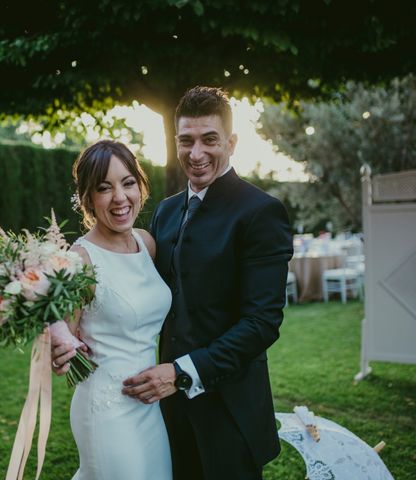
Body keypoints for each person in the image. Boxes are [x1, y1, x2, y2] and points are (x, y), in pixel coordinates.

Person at [120, 86, 293, 479]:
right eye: (186, 141)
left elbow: (261, 323)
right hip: (167, 411)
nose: (196, 154)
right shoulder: (164, 212)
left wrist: (181, 372)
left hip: (229, 411)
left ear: (231, 142)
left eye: (209, 140)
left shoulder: (261, 212)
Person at [55, 140, 173, 480]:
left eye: (128, 182)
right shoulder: (81, 260)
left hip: (150, 406)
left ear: (141, 185)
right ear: (88, 198)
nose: (120, 197)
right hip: (107, 409)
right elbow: (61, 335)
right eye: (104, 188)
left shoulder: (145, 243)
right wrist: (60, 347)